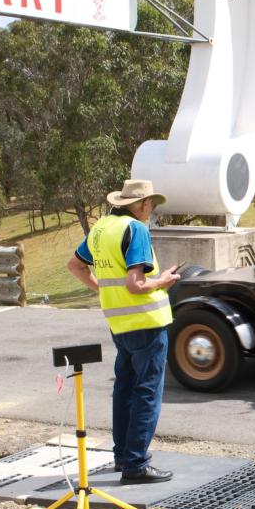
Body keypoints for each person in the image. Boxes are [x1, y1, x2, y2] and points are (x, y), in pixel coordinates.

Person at [66, 179, 181, 485]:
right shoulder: (137, 229)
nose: (151, 211)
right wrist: (164, 280)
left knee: (125, 388)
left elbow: (75, 266)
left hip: (119, 323)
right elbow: (136, 283)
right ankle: (136, 464)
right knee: (147, 391)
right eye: (151, 205)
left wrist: (102, 290)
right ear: (142, 204)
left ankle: (123, 456)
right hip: (147, 322)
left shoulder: (101, 229)